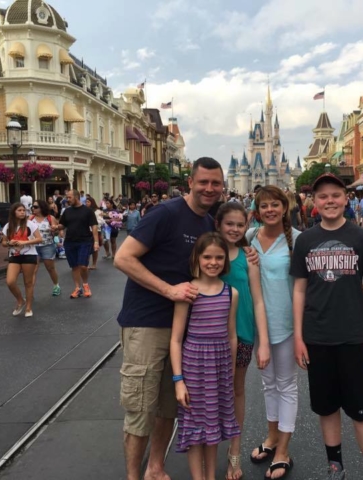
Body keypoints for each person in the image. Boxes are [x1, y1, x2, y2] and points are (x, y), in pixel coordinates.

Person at [113, 158, 231, 480]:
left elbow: (219, 257)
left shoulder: (207, 223)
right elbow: (122, 258)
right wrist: (169, 290)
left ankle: (155, 468)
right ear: (190, 183)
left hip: (185, 332)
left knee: (170, 407)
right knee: (141, 407)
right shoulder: (165, 214)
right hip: (147, 322)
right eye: (203, 182)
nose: (209, 188)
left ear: (222, 186)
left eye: (215, 183)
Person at [291, 173, 363, 480]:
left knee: (360, 410)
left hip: (354, 338)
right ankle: (336, 466)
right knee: (327, 408)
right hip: (317, 337)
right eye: (323, 196)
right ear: (313, 203)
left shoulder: (360, 238)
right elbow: (299, 291)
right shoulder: (305, 240)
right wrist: (299, 337)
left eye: (335, 195)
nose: (329, 201)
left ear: (346, 199)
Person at [170, 233, 241, 480]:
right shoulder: (188, 292)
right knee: (194, 426)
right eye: (207, 256)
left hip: (219, 367)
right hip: (194, 366)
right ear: (197, 258)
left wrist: (230, 372)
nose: (213, 262)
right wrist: (178, 380)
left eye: (219, 257)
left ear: (225, 260)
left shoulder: (231, 293)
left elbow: (232, 336)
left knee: (213, 427)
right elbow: (176, 339)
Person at [246, 186, 300, 480]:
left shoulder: (298, 241)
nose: (270, 210)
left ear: (284, 207)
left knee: (286, 385)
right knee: (268, 384)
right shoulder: (250, 237)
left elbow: (313, 282)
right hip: (258, 325)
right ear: (257, 210)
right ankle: (271, 437)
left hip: (287, 324)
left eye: (274, 205)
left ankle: (283, 451)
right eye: (264, 206)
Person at [216, 203, 271, 480]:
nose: (235, 229)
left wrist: (263, 342)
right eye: (229, 224)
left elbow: (258, 300)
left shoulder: (248, 257)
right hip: (210, 337)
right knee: (211, 395)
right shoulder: (209, 254)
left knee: (237, 390)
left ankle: (234, 452)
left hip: (242, 334)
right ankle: (207, 448)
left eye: (240, 224)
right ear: (218, 225)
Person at [53, 190, 99, 299]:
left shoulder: (88, 211)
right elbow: (62, 225)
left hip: (84, 241)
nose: (67, 200)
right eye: (67, 198)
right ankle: (77, 288)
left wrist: (96, 242)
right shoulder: (67, 211)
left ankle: (85, 285)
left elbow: (94, 226)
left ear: (76, 197)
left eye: (69, 197)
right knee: (74, 267)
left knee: (83, 266)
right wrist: (56, 227)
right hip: (70, 241)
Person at [2, 202, 43, 318]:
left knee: (28, 282)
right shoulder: (8, 226)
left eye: (23, 210)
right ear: (14, 212)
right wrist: (9, 243)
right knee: (10, 281)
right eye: (19, 210)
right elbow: (3, 242)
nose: (22, 212)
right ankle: (20, 300)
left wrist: (25, 242)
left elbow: (39, 239)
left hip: (29, 254)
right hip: (14, 255)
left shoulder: (30, 224)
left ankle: (29, 306)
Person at [29, 200, 61, 296]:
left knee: (50, 268)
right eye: (32, 207)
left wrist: (54, 229)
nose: (33, 209)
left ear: (42, 208)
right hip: (33, 246)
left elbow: (57, 232)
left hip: (47, 245)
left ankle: (56, 285)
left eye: (35, 207)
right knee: (33, 269)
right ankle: (30, 291)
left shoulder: (50, 218)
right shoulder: (30, 218)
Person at [86, 196, 104, 270]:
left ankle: (94, 263)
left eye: (88, 202)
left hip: (95, 231)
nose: (86, 203)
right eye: (86, 202)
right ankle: (86, 264)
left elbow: (101, 221)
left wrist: (93, 224)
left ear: (92, 202)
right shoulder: (85, 211)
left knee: (94, 249)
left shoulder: (98, 211)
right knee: (86, 248)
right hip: (86, 231)